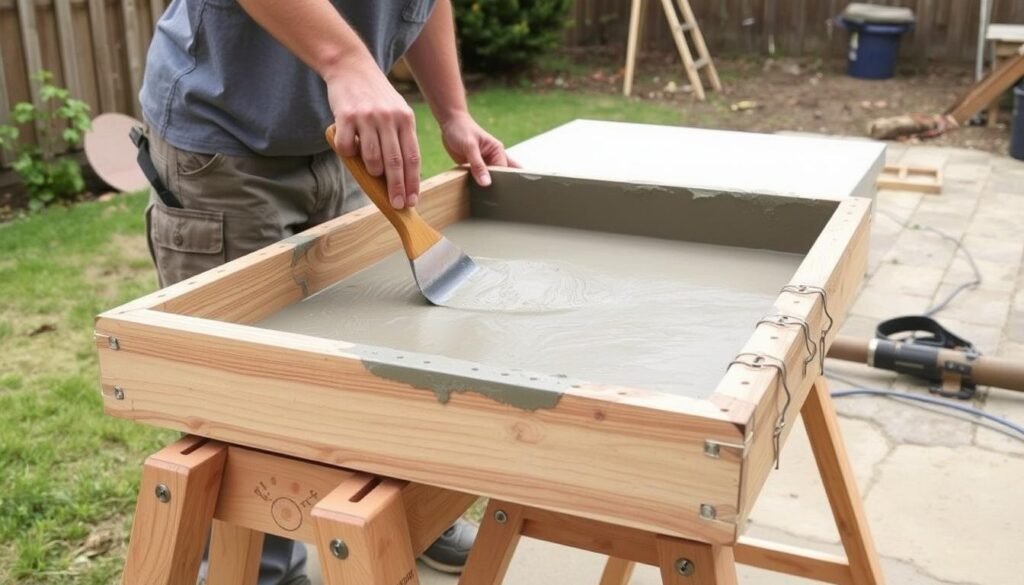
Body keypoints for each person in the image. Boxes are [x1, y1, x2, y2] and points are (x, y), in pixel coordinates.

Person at [138, 0, 515, 583]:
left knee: (373, 349)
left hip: (346, 135)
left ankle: (408, 517)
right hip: (226, 139)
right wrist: (344, 61)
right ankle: (267, 572)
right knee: (248, 398)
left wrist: (453, 112)